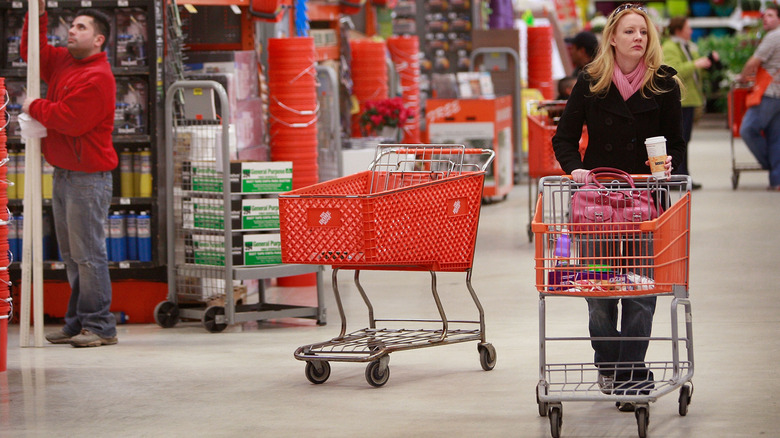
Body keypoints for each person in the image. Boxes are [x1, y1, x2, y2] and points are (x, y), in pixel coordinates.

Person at [552, 3, 684, 411]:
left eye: (643, 32)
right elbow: (564, 139)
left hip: (647, 202)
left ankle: (630, 371)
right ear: (612, 37)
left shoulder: (664, 83)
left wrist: (668, 166)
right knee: (600, 293)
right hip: (595, 205)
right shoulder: (591, 81)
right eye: (629, 32)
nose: (638, 39)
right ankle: (609, 364)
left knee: (642, 292)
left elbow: (675, 143)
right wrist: (576, 171)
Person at [21, 1, 118, 347]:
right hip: (64, 174)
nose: (72, 32)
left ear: (99, 40)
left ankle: (101, 325)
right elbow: (32, 52)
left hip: (88, 178)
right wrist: (40, 15)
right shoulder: (65, 62)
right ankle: (78, 321)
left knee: (89, 254)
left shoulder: (98, 77)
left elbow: (70, 119)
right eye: (71, 26)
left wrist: (33, 106)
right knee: (73, 255)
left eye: (81, 28)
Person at [662, 16, 719, 190]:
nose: (691, 31)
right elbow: (674, 71)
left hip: (689, 99)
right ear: (678, 30)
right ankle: (679, 176)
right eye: (688, 28)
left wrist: (707, 62)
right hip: (681, 101)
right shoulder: (670, 47)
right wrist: (696, 64)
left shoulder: (686, 46)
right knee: (680, 141)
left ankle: (684, 175)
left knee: (685, 140)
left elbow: (696, 67)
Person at [738, 4, 780, 191]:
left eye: (770, 16)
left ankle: (772, 164)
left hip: (769, 93)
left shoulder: (774, 36)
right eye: (765, 16)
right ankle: (777, 179)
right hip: (776, 94)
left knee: (748, 129)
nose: (766, 19)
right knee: (775, 137)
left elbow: (754, 61)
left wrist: (741, 77)